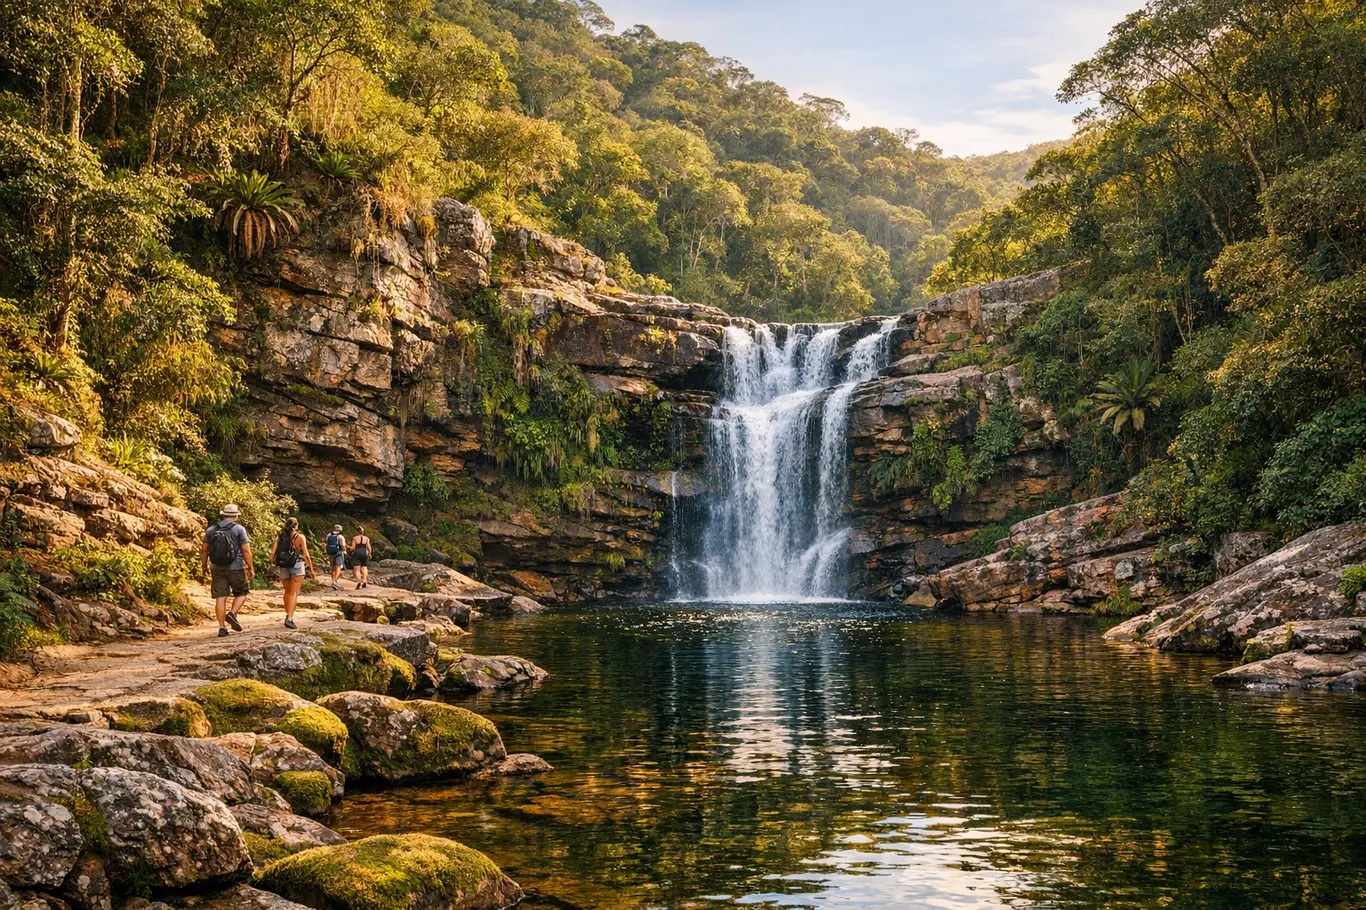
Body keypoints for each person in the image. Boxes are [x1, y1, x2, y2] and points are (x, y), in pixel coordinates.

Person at [201, 504, 253, 638]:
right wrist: (250, 567)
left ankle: (222, 628)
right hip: (235, 567)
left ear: (223, 514)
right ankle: (232, 613)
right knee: (241, 592)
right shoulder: (239, 529)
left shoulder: (211, 529)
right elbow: (246, 550)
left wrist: (204, 566)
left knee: (220, 597)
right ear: (235, 516)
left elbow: (204, 550)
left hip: (216, 567)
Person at [270, 517, 315, 630]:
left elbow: (273, 552)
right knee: (294, 593)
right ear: (297, 525)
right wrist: (311, 569)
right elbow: (306, 554)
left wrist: (275, 563)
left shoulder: (280, 536)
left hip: (283, 565)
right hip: (297, 565)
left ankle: (287, 613)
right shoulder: (300, 537)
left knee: (287, 591)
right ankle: (290, 618)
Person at [325, 524, 348, 590]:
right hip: (339, 552)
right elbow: (343, 545)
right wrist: (345, 550)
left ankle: (333, 581)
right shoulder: (340, 536)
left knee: (333, 567)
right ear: (340, 530)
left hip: (331, 552)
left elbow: (326, 543)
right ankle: (335, 581)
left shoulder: (329, 535)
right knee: (338, 566)